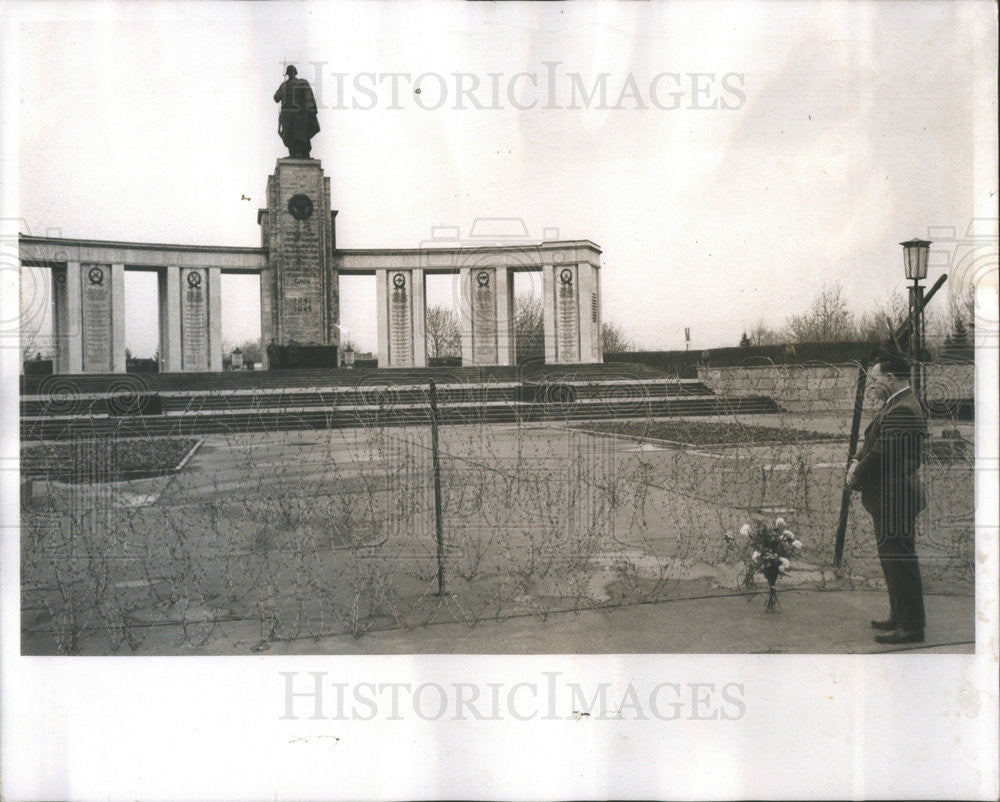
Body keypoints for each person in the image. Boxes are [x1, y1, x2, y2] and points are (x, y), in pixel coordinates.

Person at [846, 348, 927, 644]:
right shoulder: (895, 403)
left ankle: (912, 626)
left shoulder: (903, 408)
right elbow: (872, 440)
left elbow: (882, 453)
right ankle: (899, 615)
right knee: (892, 559)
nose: (872, 385)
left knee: (900, 560)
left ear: (891, 378)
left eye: (875, 379)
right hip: (890, 496)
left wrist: (856, 473)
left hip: (896, 497)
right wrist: (856, 459)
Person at [274, 65, 320, 158]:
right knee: (288, 133)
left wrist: (309, 106)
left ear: (295, 72)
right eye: (289, 71)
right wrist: (281, 91)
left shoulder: (302, 82)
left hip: (299, 113)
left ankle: (299, 153)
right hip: (287, 113)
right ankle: (292, 153)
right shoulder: (284, 85)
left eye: (292, 71)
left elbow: (308, 95)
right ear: (287, 74)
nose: (291, 73)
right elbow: (276, 98)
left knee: (299, 133)